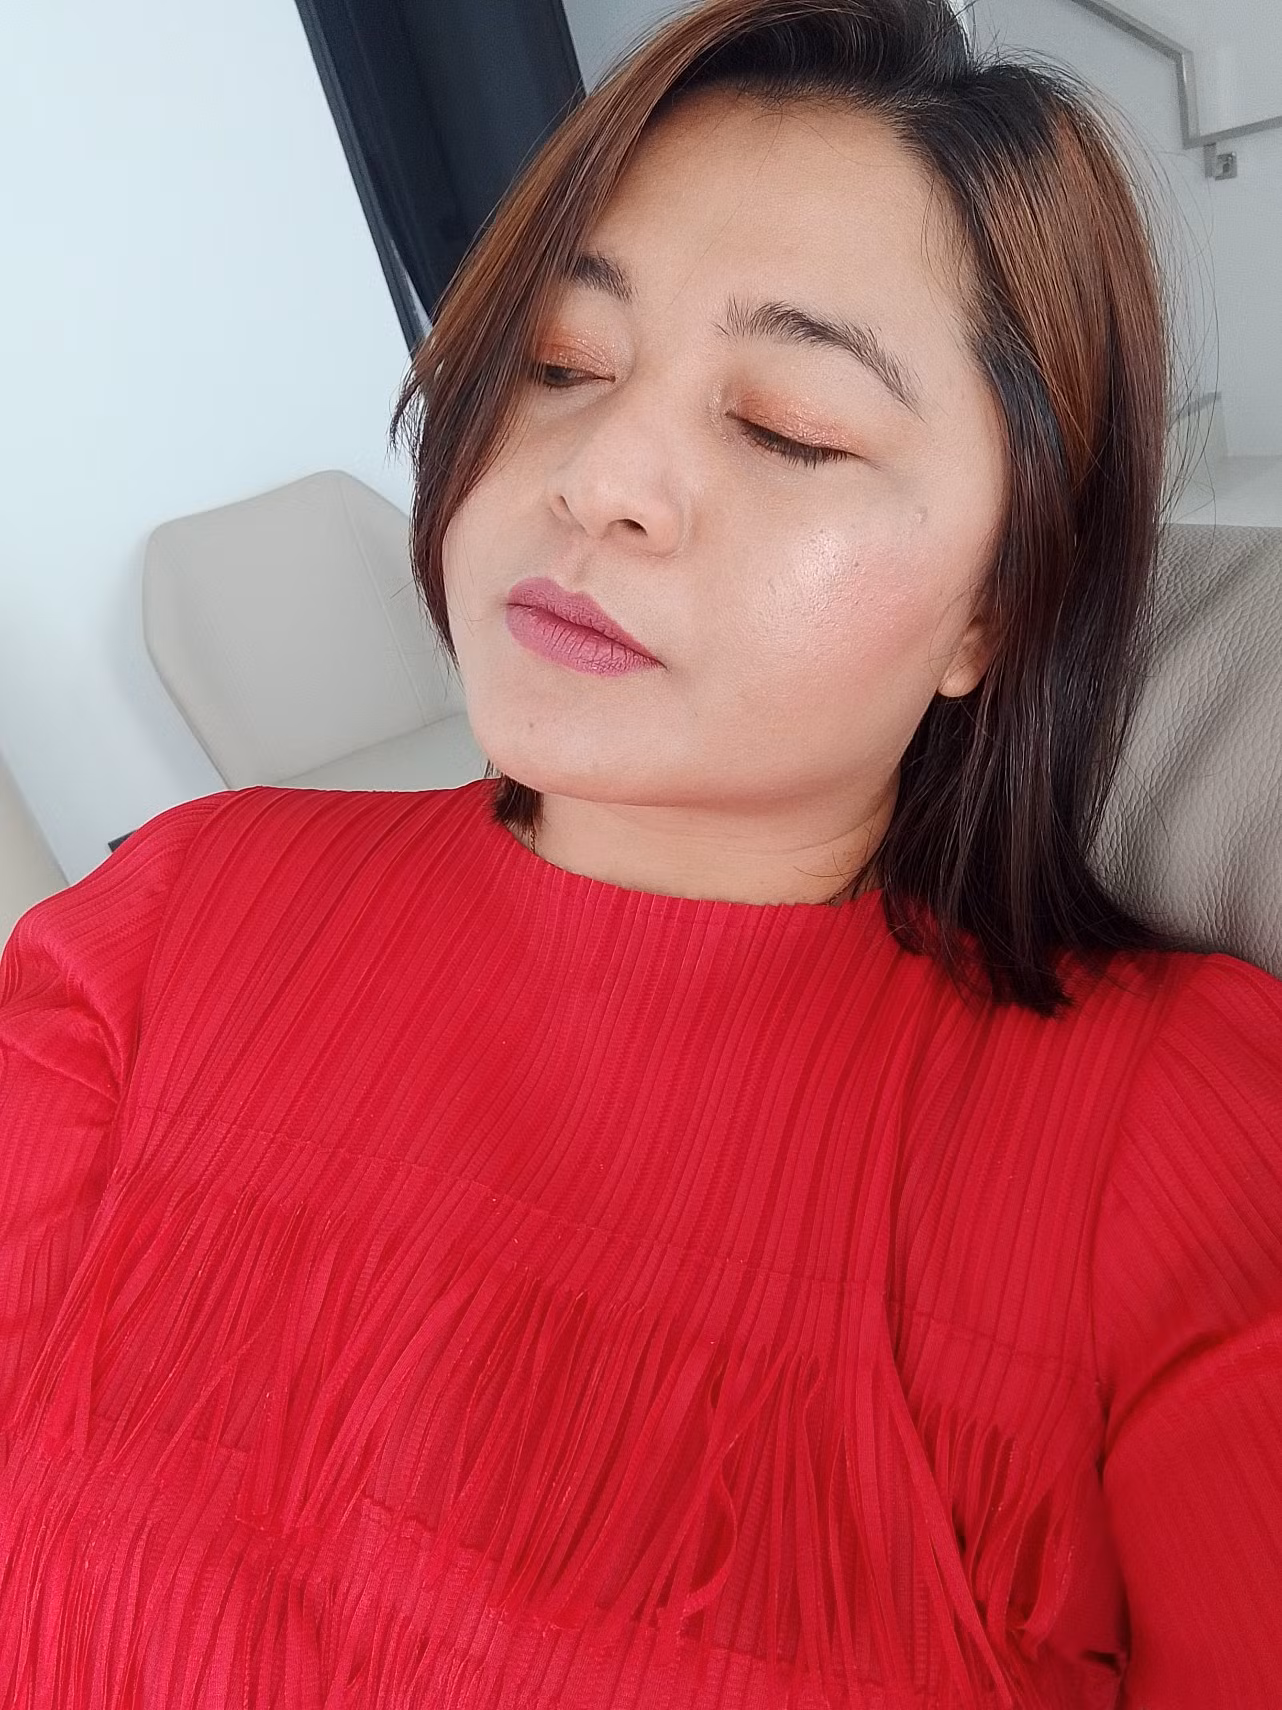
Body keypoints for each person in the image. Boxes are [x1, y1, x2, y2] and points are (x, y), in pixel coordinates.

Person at [1, 0, 1279, 1704]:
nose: (599, 475)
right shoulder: (170, 922)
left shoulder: (1172, 1147)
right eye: (557, 363)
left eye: (791, 426)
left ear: (997, 603)